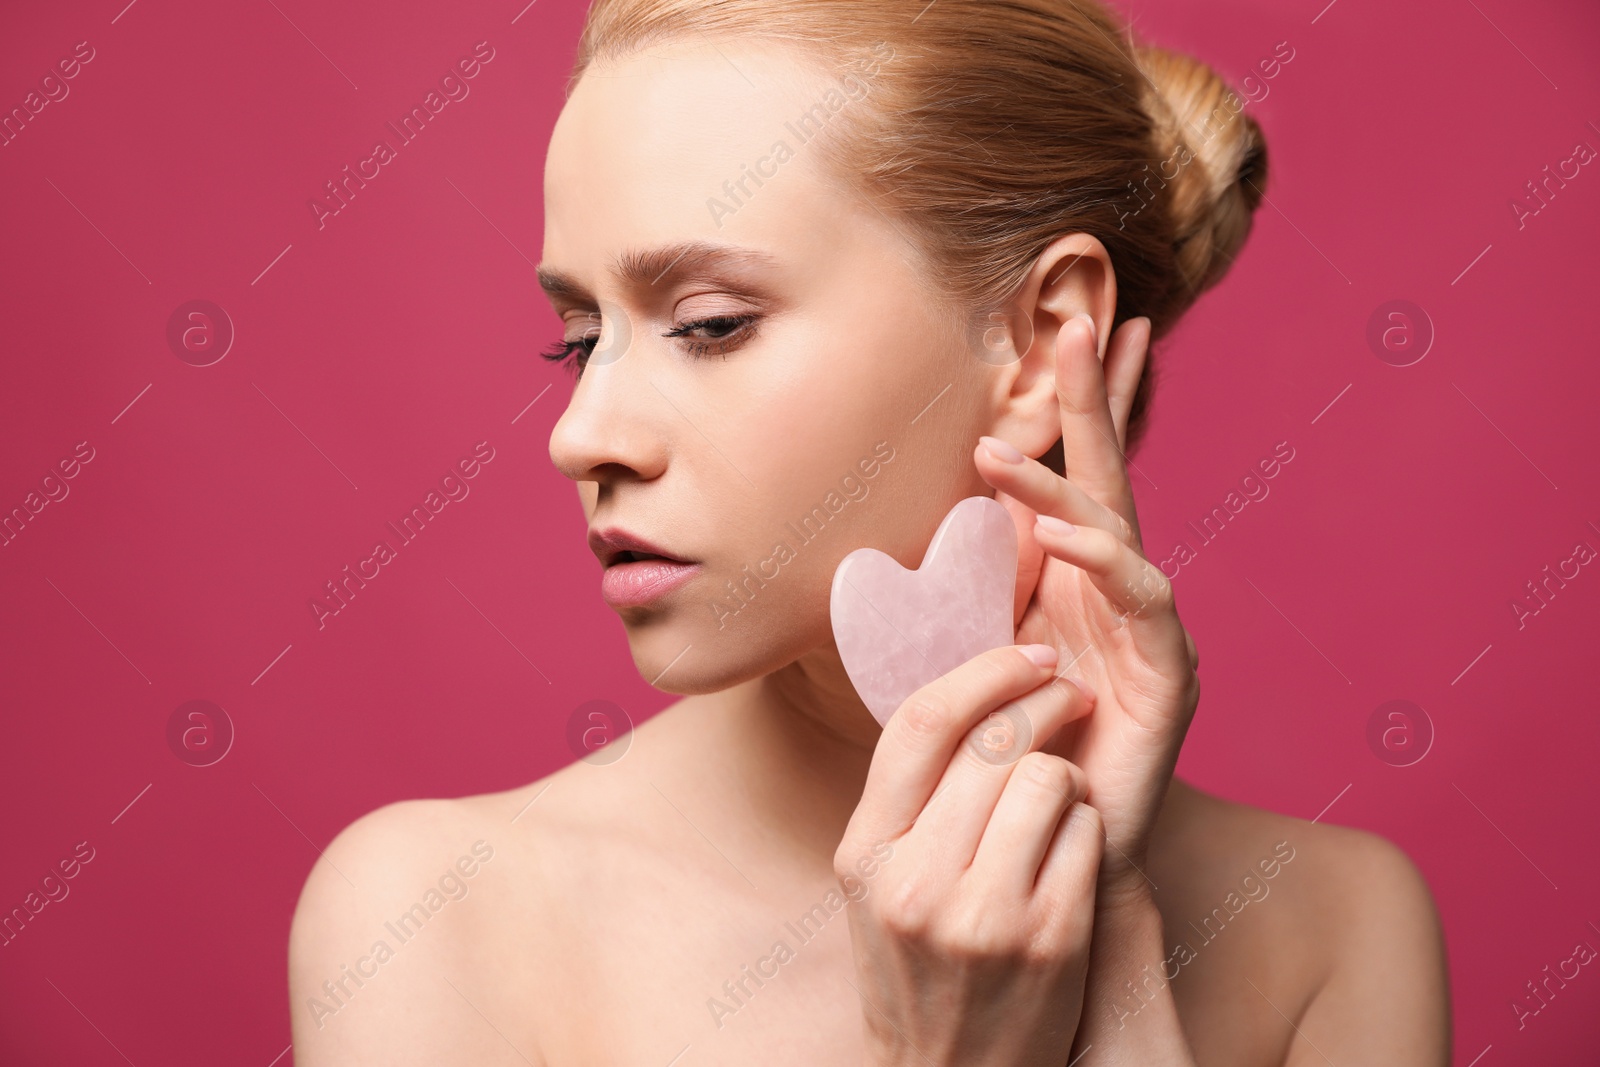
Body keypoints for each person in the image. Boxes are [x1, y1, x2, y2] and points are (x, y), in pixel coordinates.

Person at [289, 0, 1450, 1062]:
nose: (581, 432)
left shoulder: (1333, 933)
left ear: (1043, 340)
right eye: (579, 336)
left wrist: (1116, 938)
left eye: (709, 323)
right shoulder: (433, 919)